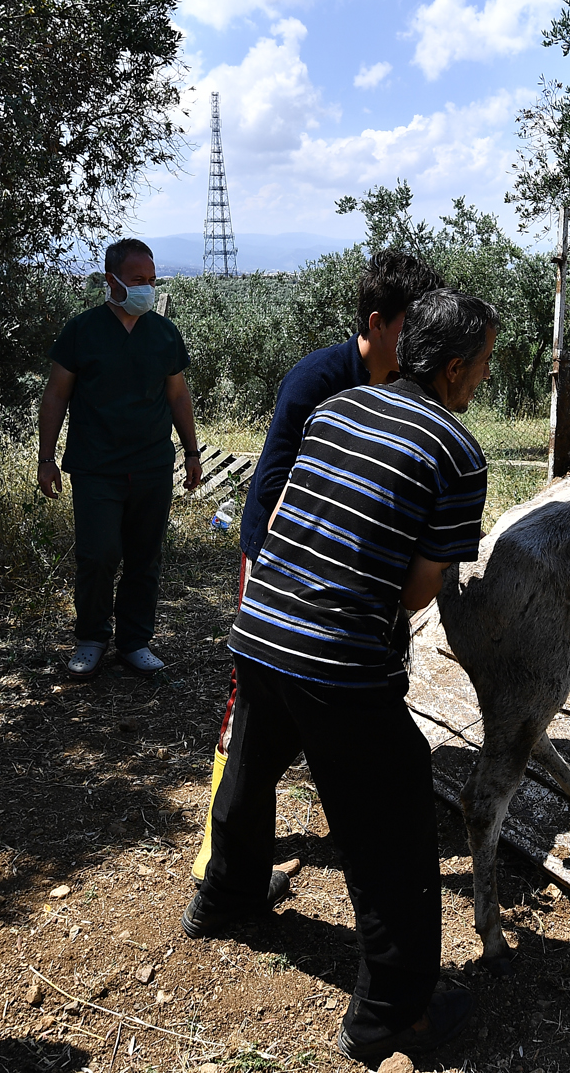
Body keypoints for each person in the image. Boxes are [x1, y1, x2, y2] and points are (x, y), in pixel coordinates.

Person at [184, 288, 495, 1065]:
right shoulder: (456, 454)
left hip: (259, 627)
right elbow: (418, 590)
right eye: (483, 365)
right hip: (339, 660)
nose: (483, 380)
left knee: (252, 767)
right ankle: (394, 1011)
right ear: (454, 367)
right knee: (393, 810)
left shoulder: (339, 406)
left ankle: (225, 894)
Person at [190, 250, 442, 885]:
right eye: (417, 323)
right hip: (281, 560)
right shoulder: (319, 377)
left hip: (357, 575)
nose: (427, 336)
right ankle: (220, 862)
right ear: (380, 322)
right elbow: (273, 484)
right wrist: (277, 574)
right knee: (248, 709)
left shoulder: (405, 388)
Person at [37, 238, 201, 680]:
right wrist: (46, 457)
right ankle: (91, 638)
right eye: (137, 280)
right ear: (112, 282)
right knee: (98, 555)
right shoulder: (82, 331)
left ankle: (134, 642)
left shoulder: (164, 334)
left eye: (151, 280)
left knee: (145, 556)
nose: (146, 288)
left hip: (151, 465)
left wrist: (191, 451)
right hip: (96, 467)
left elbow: (178, 395)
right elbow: (55, 395)